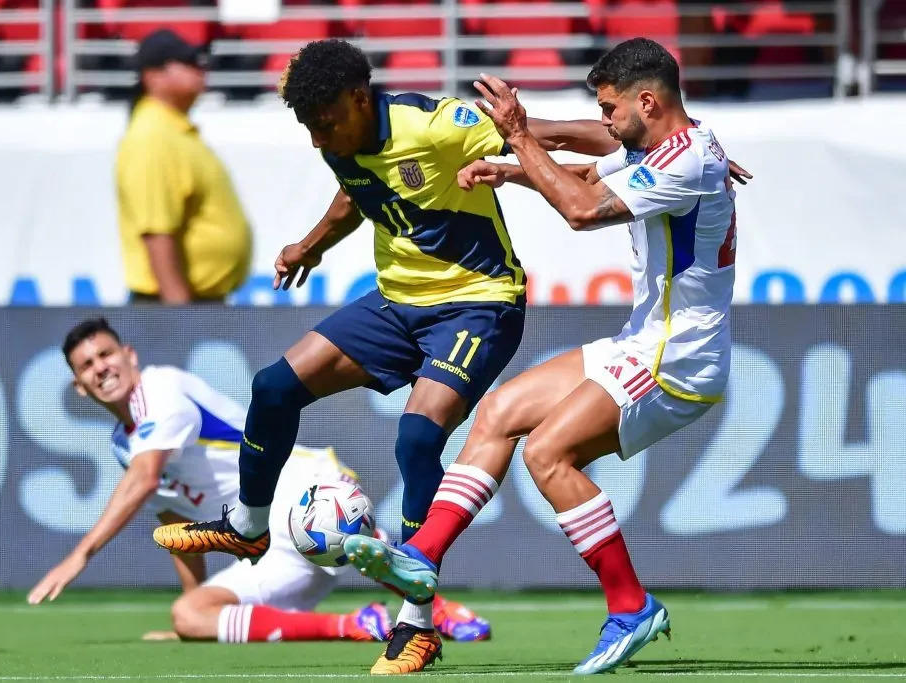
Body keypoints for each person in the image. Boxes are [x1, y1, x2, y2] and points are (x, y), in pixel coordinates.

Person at [150, 37, 641, 675]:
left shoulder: (434, 125)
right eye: (307, 127)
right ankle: (248, 525)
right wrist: (311, 245)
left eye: (323, 123)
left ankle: (417, 624)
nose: (317, 138)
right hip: (395, 305)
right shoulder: (338, 138)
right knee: (273, 387)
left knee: (416, 438)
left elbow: (560, 136)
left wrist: (654, 147)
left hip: (479, 305)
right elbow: (359, 193)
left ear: (360, 99)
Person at [343, 37, 740, 676]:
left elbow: (582, 209)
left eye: (612, 109)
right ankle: (422, 554)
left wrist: (519, 141)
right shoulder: (684, 145)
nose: (606, 122)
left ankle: (630, 606)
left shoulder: (687, 160)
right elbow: (588, 162)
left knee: (548, 453)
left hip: (677, 360)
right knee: (498, 411)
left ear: (647, 101)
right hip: (643, 340)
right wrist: (514, 160)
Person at [26, 317, 390, 644]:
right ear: (79, 386)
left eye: (105, 354)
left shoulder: (161, 388)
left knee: (369, 552)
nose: (100, 368)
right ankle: (356, 625)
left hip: (305, 494)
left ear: (129, 355)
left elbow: (147, 477)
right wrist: (193, 603)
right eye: (87, 366)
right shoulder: (123, 444)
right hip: (264, 540)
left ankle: (433, 611)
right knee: (189, 615)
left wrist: (80, 555)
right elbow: (175, 519)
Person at [116, 29, 252, 305]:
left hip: (190, 304)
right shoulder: (153, 136)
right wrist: (181, 320)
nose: (199, 68)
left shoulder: (171, 130)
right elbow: (157, 234)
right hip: (171, 305)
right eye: (186, 62)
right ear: (152, 76)